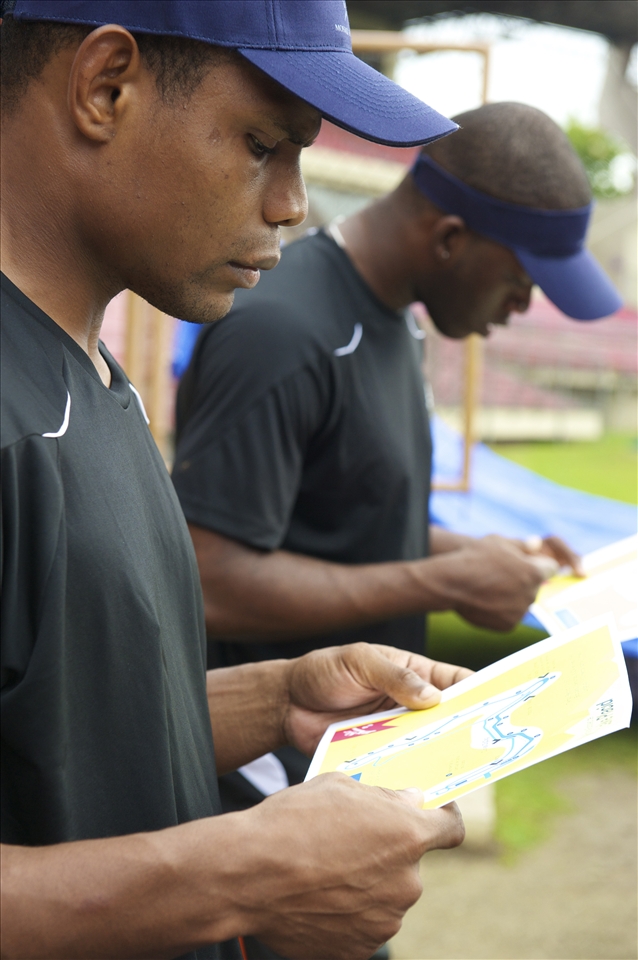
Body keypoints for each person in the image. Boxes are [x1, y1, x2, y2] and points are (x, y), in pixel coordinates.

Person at [0, 3, 470, 959]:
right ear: (106, 87)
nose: (292, 203)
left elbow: (58, 734)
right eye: (263, 145)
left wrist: (275, 701)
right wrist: (238, 876)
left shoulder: (90, 373)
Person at [171, 102, 622, 813]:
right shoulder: (280, 334)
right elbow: (211, 580)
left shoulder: (396, 323)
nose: (522, 306)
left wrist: (479, 557)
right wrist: (439, 582)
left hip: (354, 761)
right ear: (450, 239)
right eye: (520, 279)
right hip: (262, 788)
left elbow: (345, 518)